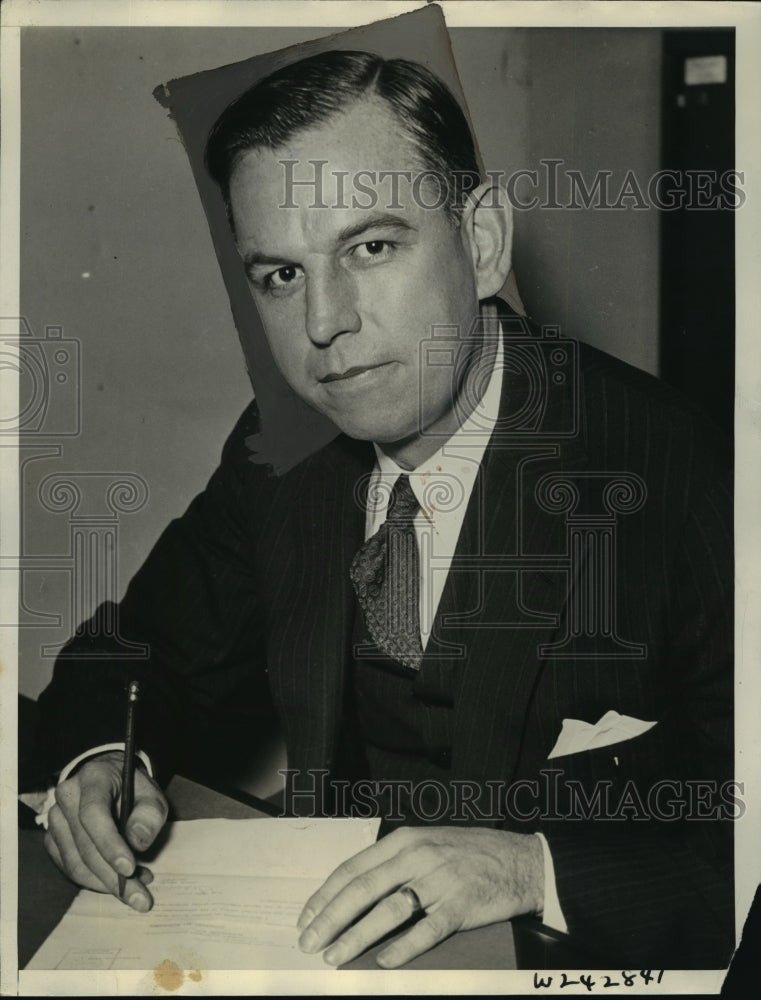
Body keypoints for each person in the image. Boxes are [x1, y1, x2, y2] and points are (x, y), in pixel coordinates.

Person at [34, 50, 734, 969]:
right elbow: (130, 654)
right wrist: (95, 764)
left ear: (481, 242)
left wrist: (535, 868)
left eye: (371, 247)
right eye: (280, 274)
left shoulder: (691, 473)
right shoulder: (279, 454)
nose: (324, 323)